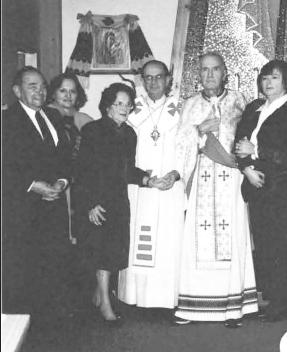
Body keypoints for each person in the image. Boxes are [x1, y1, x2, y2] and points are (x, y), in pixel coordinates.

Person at [174, 52, 258, 327]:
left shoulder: (238, 101)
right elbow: (179, 144)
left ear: (225, 72)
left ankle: (232, 308)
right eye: (204, 70)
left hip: (231, 180)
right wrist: (199, 131)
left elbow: (251, 136)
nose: (209, 75)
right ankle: (191, 306)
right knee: (197, 242)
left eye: (215, 69)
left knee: (232, 236)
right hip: (200, 180)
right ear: (198, 74)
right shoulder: (189, 104)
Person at [76, 83, 170, 324]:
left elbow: (128, 170)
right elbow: (83, 171)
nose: (125, 108)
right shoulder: (92, 131)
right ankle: (106, 305)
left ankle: (100, 293)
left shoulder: (129, 134)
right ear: (107, 105)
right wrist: (90, 204)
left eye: (128, 104)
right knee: (101, 251)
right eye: (119, 103)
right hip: (98, 199)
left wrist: (148, 180)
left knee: (114, 250)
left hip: (118, 200)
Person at [235, 59, 287, 322]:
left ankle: (282, 304)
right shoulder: (255, 107)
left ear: (285, 81)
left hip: (280, 188)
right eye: (265, 77)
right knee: (263, 246)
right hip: (254, 185)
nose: (268, 82)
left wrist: (257, 152)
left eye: (274, 78)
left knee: (280, 246)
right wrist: (246, 168)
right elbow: (239, 140)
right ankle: (270, 298)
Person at [117, 60, 193, 313]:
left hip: (169, 188)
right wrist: (142, 177)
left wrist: (175, 174)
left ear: (168, 79)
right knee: (138, 238)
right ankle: (135, 298)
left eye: (158, 77)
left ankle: (165, 300)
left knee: (168, 243)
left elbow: (188, 148)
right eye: (148, 78)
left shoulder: (182, 110)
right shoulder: (130, 110)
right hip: (140, 189)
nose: (153, 82)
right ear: (141, 80)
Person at [2, 66, 72, 324]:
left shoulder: (52, 117)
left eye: (42, 86)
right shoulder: (6, 121)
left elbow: (65, 157)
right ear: (17, 90)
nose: (40, 91)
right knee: (24, 266)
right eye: (32, 86)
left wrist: (63, 181)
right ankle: (20, 326)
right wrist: (33, 185)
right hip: (23, 208)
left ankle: (48, 321)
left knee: (52, 262)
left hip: (53, 206)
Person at [47, 72, 93, 242]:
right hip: (53, 185)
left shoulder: (86, 121)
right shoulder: (44, 117)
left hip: (81, 187)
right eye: (62, 91)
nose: (68, 95)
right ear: (53, 93)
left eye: (72, 91)